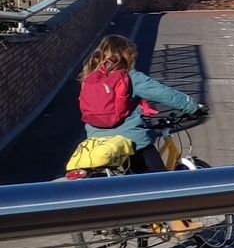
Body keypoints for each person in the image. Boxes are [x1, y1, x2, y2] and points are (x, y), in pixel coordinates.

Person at [78, 34, 204, 174]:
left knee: (133, 175)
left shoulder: (90, 78)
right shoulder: (131, 77)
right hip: (131, 140)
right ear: (127, 55)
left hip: (97, 140)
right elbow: (164, 94)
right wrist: (193, 107)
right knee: (160, 179)